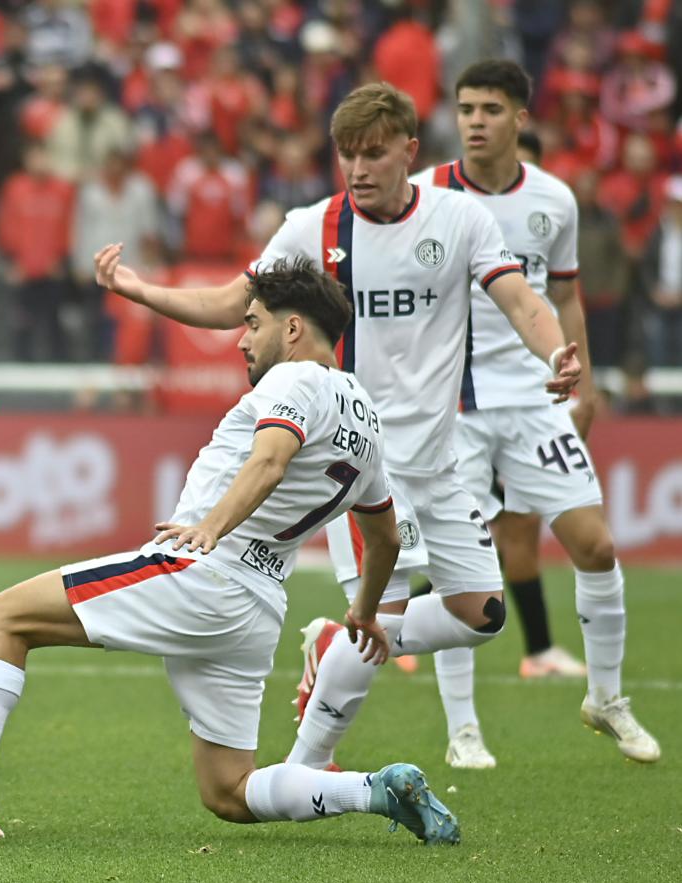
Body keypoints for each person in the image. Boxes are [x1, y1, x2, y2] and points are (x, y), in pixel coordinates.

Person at [0, 258, 460, 845]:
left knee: (0, 618)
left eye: (253, 323)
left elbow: (270, 460)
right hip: (257, 605)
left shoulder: (295, 379)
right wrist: (364, 612)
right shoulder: (366, 416)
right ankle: (374, 790)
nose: (242, 340)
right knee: (229, 790)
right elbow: (382, 536)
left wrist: (211, 528)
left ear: (293, 328)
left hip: (205, 573)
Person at [90, 83, 582, 775]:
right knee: (379, 620)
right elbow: (234, 303)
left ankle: (330, 643)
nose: (358, 168)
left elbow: (522, 301)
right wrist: (142, 290)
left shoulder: (459, 218)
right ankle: (307, 763)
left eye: (374, 153)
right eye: (347, 154)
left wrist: (555, 354)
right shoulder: (312, 226)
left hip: (438, 459)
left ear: (409, 151)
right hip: (361, 458)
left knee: (481, 616)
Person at [412, 60, 659, 766]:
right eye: (466, 108)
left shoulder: (554, 199)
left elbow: (565, 297)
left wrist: (583, 383)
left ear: (520, 118)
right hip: (454, 407)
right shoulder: (425, 194)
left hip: (535, 398)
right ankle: (463, 730)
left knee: (596, 546)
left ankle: (605, 699)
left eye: (490, 109)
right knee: (461, 571)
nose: (475, 121)